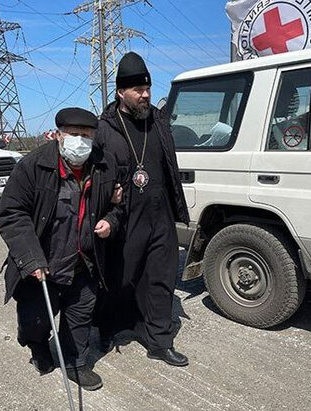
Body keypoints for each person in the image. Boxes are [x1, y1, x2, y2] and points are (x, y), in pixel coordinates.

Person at [0, 107, 124, 391]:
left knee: (79, 315)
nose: (80, 141)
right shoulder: (32, 166)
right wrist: (31, 260)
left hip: (85, 260)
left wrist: (110, 221)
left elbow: (118, 206)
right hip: (42, 262)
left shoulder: (105, 164)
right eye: (74, 135)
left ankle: (76, 363)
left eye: (87, 136)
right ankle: (38, 346)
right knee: (36, 319)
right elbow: (11, 213)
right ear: (58, 136)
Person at [94, 52, 191, 367]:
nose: (146, 94)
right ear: (121, 92)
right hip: (126, 216)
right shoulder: (105, 128)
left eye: (147, 87)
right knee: (119, 277)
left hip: (159, 213)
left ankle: (159, 341)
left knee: (162, 278)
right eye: (138, 89)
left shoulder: (158, 121)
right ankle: (109, 329)